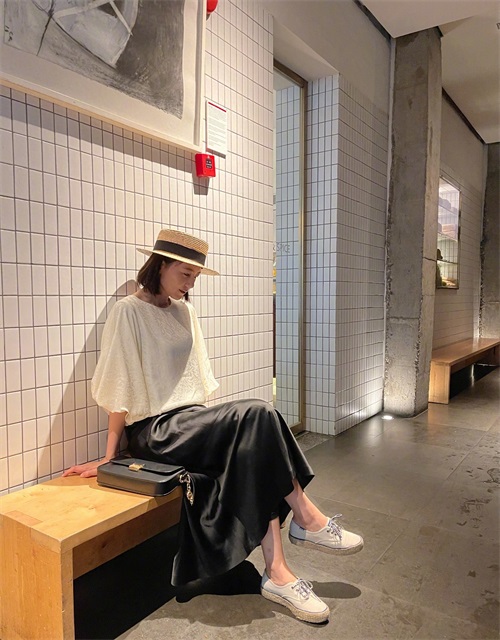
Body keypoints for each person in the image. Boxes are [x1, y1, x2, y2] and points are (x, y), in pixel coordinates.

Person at [64, 228, 364, 624]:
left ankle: (279, 572)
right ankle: (305, 519)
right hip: (156, 433)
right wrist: (109, 457)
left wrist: (212, 432)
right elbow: (118, 386)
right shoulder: (128, 312)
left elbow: (194, 380)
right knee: (258, 413)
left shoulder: (184, 311)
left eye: (195, 276)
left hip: (188, 423)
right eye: (185, 273)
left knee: (252, 443)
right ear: (160, 265)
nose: (190, 284)